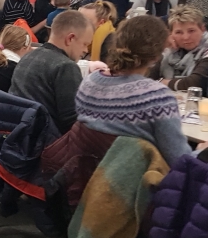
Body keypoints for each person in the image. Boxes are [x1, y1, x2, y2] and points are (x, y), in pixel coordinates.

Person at [75, 15, 191, 165]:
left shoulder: (88, 83)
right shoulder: (157, 98)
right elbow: (179, 160)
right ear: (156, 57)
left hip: (84, 171)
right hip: (133, 176)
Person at [10, 10, 93, 135]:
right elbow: (73, 122)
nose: (86, 50)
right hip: (46, 141)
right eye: (85, 44)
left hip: (18, 136)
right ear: (70, 38)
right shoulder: (65, 67)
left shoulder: (27, 57)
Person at [148, 5, 208, 92]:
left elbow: (195, 83)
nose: (186, 37)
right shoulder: (170, 49)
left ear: (202, 29)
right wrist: (162, 47)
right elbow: (147, 77)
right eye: (179, 32)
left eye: (191, 31)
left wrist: (160, 83)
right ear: (171, 34)